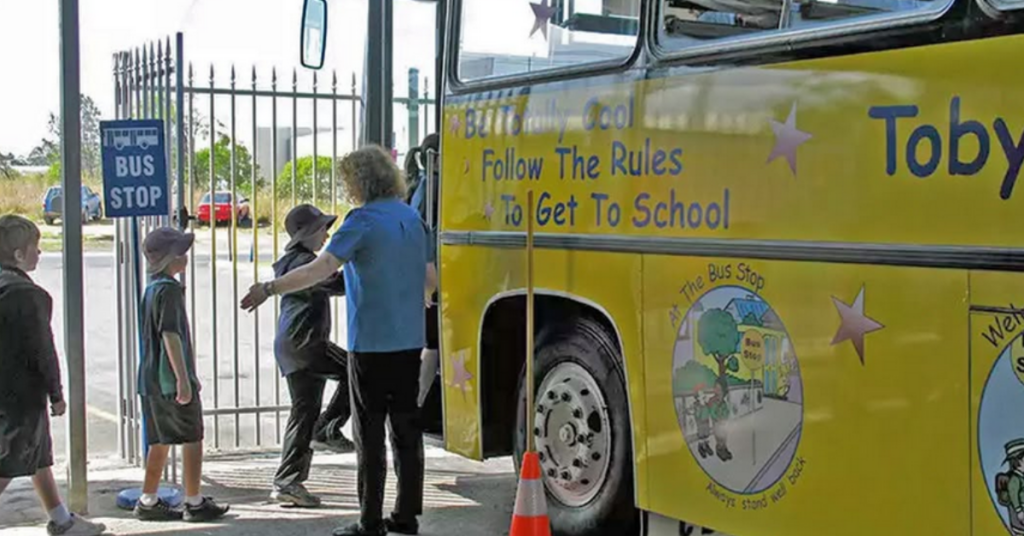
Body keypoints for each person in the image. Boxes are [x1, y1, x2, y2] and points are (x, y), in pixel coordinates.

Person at [243, 145, 435, 536]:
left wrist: (270, 287)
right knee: (406, 430)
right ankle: (406, 515)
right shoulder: (412, 218)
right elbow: (430, 279)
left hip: (371, 344)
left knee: (369, 435)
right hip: (409, 340)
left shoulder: (361, 221)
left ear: (360, 182)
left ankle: (369, 521)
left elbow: (321, 268)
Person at [0, 215, 106, 536]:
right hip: (20, 395)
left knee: (39, 454)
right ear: (19, 254)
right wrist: (56, 394)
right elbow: (42, 350)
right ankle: (61, 520)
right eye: (35, 247)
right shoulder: (28, 295)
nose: (40, 252)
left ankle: (61, 519)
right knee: (9, 460)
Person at [134, 227, 229, 522]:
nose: (185, 255)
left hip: (150, 379)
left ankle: (148, 500)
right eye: (180, 251)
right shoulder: (170, 290)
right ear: (167, 258)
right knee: (192, 437)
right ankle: (194, 500)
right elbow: (170, 336)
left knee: (159, 440)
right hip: (169, 380)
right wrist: (183, 380)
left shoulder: (152, 288)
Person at [270, 204, 355, 508]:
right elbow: (340, 283)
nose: (327, 234)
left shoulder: (292, 261)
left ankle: (288, 482)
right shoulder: (305, 264)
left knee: (303, 413)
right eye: (322, 229)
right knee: (354, 370)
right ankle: (328, 427)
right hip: (306, 345)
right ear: (306, 234)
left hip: (295, 345)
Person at [403, 134, 442, 418]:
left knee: (429, 344)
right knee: (432, 346)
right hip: (429, 277)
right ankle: (415, 403)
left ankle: (416, 401)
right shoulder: (432, 187)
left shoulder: (420, 185)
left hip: (422, 275)